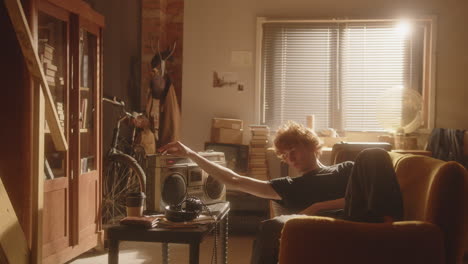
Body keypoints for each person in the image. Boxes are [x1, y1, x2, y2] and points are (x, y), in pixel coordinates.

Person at [158, 121, 403, 264]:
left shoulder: (346, 168)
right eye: (284, 155)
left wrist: (316, 207)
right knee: (270, 225)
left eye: (293, 150)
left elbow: (365, 194)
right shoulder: (288, 185)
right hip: (327, 226)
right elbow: (235, 180)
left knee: (373, 153)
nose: (289, 158)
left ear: (311, 146)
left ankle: (387, 228)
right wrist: (191, 154)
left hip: (361, 216)